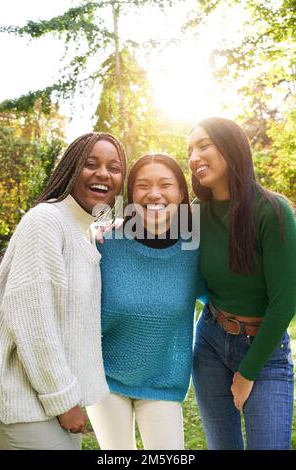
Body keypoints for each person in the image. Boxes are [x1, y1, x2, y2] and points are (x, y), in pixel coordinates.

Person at [0, 132, 127, 450]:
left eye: (114, 167)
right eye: (90, 164)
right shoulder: (46, 221)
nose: (103, 174)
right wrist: (63, 400)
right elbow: (32, 321)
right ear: (71, 168)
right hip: (24, 406)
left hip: (48, 406)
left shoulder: (80, 228)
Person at [188, 117, 296, 450]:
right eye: (190, 150)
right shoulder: (194, 214)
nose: (193, 157)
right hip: (209, 342)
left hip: (265, 350)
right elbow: (147, 231)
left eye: (203, 145)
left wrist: (248, 372)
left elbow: (286, 300)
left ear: (232, 148)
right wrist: (112, 227)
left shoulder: (273, 211)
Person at [86, 153, 207, 450]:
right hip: (105, 380)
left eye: (165, 184)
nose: (154, 194)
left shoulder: (196, 249)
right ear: (131, 193)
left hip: (163, 382)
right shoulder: (105, 242)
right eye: (143, 185)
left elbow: (226, 296)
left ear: (181, 193)